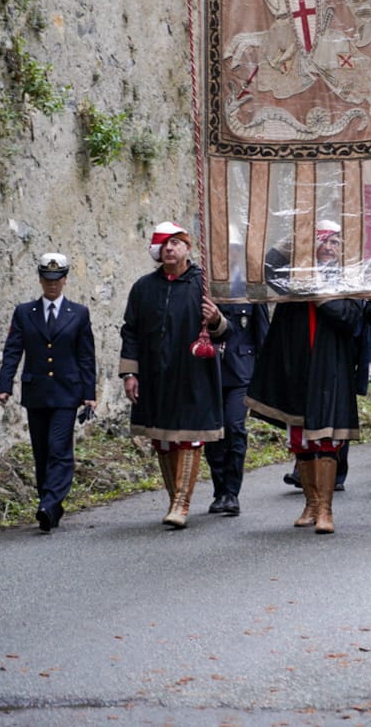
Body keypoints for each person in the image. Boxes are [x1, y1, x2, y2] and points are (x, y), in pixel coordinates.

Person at [247, 221, 365, 534]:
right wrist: (295, 237)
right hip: (296, 364)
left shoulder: (349, 278)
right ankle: (311, 503)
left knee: (325, 438)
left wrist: (320, 295)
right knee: (300, 438)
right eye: (323, 241)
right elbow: (269, 268)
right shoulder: (294, 276)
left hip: (331, 366)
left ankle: (325, 509)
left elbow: (351, 317)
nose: (329, 247)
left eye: (335, 242)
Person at [120, 222, 229, 529]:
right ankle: (174, 500)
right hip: (155, 376)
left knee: (189, 439)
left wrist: (217, 319)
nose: (169, 248)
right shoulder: (143, 287)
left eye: (175, 243)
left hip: (193, 373)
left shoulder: (204, 285)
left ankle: (182, 503)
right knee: (164, 440)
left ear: (187, 247)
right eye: (164, 244)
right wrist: (130, 373)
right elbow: (131, 331)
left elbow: (227, 331)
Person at [0, 253, 96, 532]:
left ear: (64, 280)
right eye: (47, 279)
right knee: (41, 452)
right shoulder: (24, 312)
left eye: (57, 279)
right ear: (40, 279)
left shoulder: (78, 313)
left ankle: (49, 502)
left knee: (59, 448)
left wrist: (89, 393)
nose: (52, 285)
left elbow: (86, 356)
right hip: (37, 392)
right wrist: (5, 385)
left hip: (67, 393)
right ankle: (49, 505)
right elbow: (13, 350)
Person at [207, 301, 269, 517]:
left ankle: (232, 493)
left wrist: (264, 378)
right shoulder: (204, 287)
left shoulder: (248, 290)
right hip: (210, 371)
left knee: (234, 427)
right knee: (213, 432)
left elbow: (262, 335)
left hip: (241, 372)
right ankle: (219, 491)